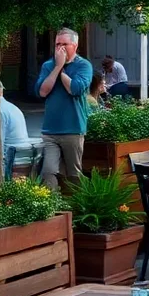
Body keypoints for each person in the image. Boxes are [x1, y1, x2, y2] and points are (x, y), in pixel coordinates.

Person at [35, 27, 93, 189]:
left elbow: (75, 89)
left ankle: (80, 207)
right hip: (50, 131)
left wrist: (61, 69)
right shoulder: (48, 66)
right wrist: (57, 67)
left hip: (73, 129)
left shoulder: (83, 66)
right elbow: (42, 91)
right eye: (57, 45)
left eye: (64, 44)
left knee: (73, 174)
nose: (60, 48)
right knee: (48, 171)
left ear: (74, 45)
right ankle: (52, 207)